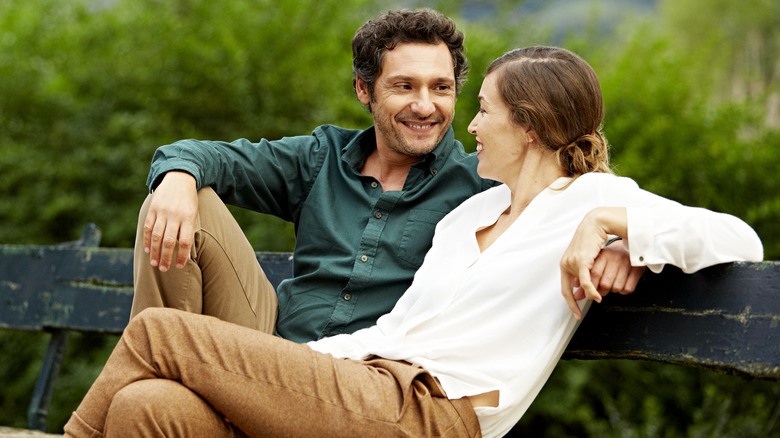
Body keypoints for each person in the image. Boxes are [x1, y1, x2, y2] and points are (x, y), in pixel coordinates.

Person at [64, 45, 762, 438]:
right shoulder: (466, 219)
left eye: (481, 109)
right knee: (146, 409)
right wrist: (274, 373)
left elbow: (737, 238)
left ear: (528, 125)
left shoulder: (591, 197)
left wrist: (609, 229)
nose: (471, 126)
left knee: (162, 333)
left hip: (431, 414)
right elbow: (399, 329)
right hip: (366, 386)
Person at [131, 9, 642, 343]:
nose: (426, 106)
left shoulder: (484, 187)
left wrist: (622, 242)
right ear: (364, 90)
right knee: (174, 199)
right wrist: (177, 174)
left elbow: (581, 195)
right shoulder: (320, 156)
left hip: (362, 381)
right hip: (265, 339)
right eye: (404, 86)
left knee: (154, 397)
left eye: (441, 88)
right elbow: (197, 154)